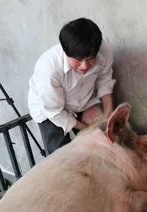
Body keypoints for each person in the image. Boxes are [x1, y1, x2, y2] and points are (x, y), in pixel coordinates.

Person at [28, 18, 116, 155]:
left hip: (82, 101)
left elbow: (104, 80)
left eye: (90, 58)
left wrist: (109, 114)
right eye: (78, 60)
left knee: (106, 143)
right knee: (61, 154)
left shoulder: (104, 50)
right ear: (65, 52)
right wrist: (88, 130)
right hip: (50, 111)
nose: (85, 66)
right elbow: (55, 112)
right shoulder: (48, 68)